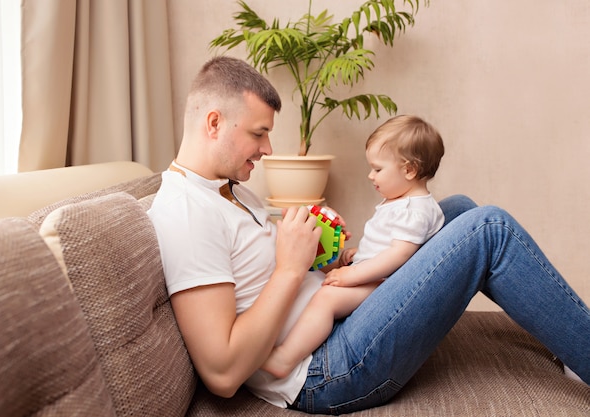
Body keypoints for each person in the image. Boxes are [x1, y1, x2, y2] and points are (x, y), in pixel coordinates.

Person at [147, 56, 589, 414]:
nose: (268, 150)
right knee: (488, 227)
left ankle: (567, 339)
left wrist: (325, 259)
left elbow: (260, 276)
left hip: (335, 324)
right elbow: (223, 374)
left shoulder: (227, 192)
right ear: (213, 123)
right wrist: (289, 268)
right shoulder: (185, 212)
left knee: (457, 211)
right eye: (259, 134)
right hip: (326, 370)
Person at [261, 115, 446, 379]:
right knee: (322, 287)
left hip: (384, 285)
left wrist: (353, 274)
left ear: (409, 170)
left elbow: (401, 254)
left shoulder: (413, 210)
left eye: (378, 169)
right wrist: (360, 254)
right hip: (378, 275)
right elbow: (394, 244)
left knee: (326, 299)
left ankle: (285, 358)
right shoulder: (402, 202)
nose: (371, 176)